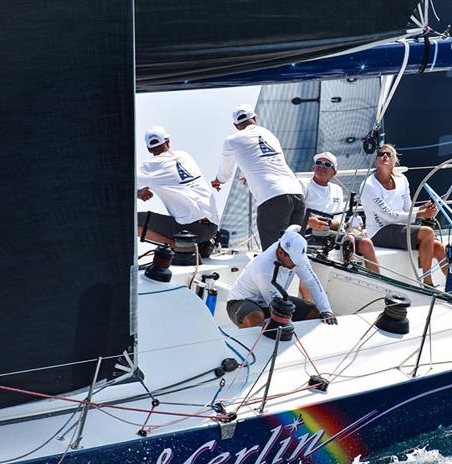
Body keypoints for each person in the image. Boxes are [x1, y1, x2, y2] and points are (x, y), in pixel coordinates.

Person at [212, 104, 305, 249]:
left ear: (236, 125)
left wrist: (218, 181)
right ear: (255, 118)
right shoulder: (269, 134)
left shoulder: (232, 140)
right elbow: (264, 159)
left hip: (273, 198)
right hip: (297, 194)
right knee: (294, 251)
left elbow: (225, 174)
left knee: (273, 252)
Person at [359, 144, 447, 286]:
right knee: (427, 232)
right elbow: (390, 216)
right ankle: (428, 284)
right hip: (379, 232)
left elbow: (408, 208)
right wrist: (421, 214)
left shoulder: (402, 180)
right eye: (381, 154)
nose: (385, 156)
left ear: (394, 160)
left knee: (439, 247)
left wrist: (423, 209)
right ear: (376, 160)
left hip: (400, 229)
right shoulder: (368, 185)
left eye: (388, 154)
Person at [226, 230, 337, 328]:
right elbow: (276, 307)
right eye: (295, 261)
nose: (297, 265)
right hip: (241, 302)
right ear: (280, 253)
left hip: (270, 301)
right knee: (255, 318)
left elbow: (312, 281)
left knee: (313, 311)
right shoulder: (264, 268)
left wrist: (326, 310)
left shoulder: (296, 255)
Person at [137, 126, 218, 254]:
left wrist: (138, 193)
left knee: (134, 222)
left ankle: (182, 247)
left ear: (148, 149)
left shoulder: (148, 167)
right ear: (168, 141)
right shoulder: (185, 156)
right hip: (213, 227)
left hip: (190, 231)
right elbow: (174, 179)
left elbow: (125, 188)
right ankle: (202, 245)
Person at [300, 152, 380, 272]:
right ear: (313, 167)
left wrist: (334, 224)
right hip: (309, 233)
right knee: (348, 239)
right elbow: (294, 210)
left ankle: (377, 281)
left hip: (332, 231)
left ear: (334, 172)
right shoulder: (302, 184)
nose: (321, 166)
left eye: (327, 164)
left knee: (366, 243)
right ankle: (353, 274)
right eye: (318, 163)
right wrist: (310, 221)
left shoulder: (337, 190)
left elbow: (339, 221)